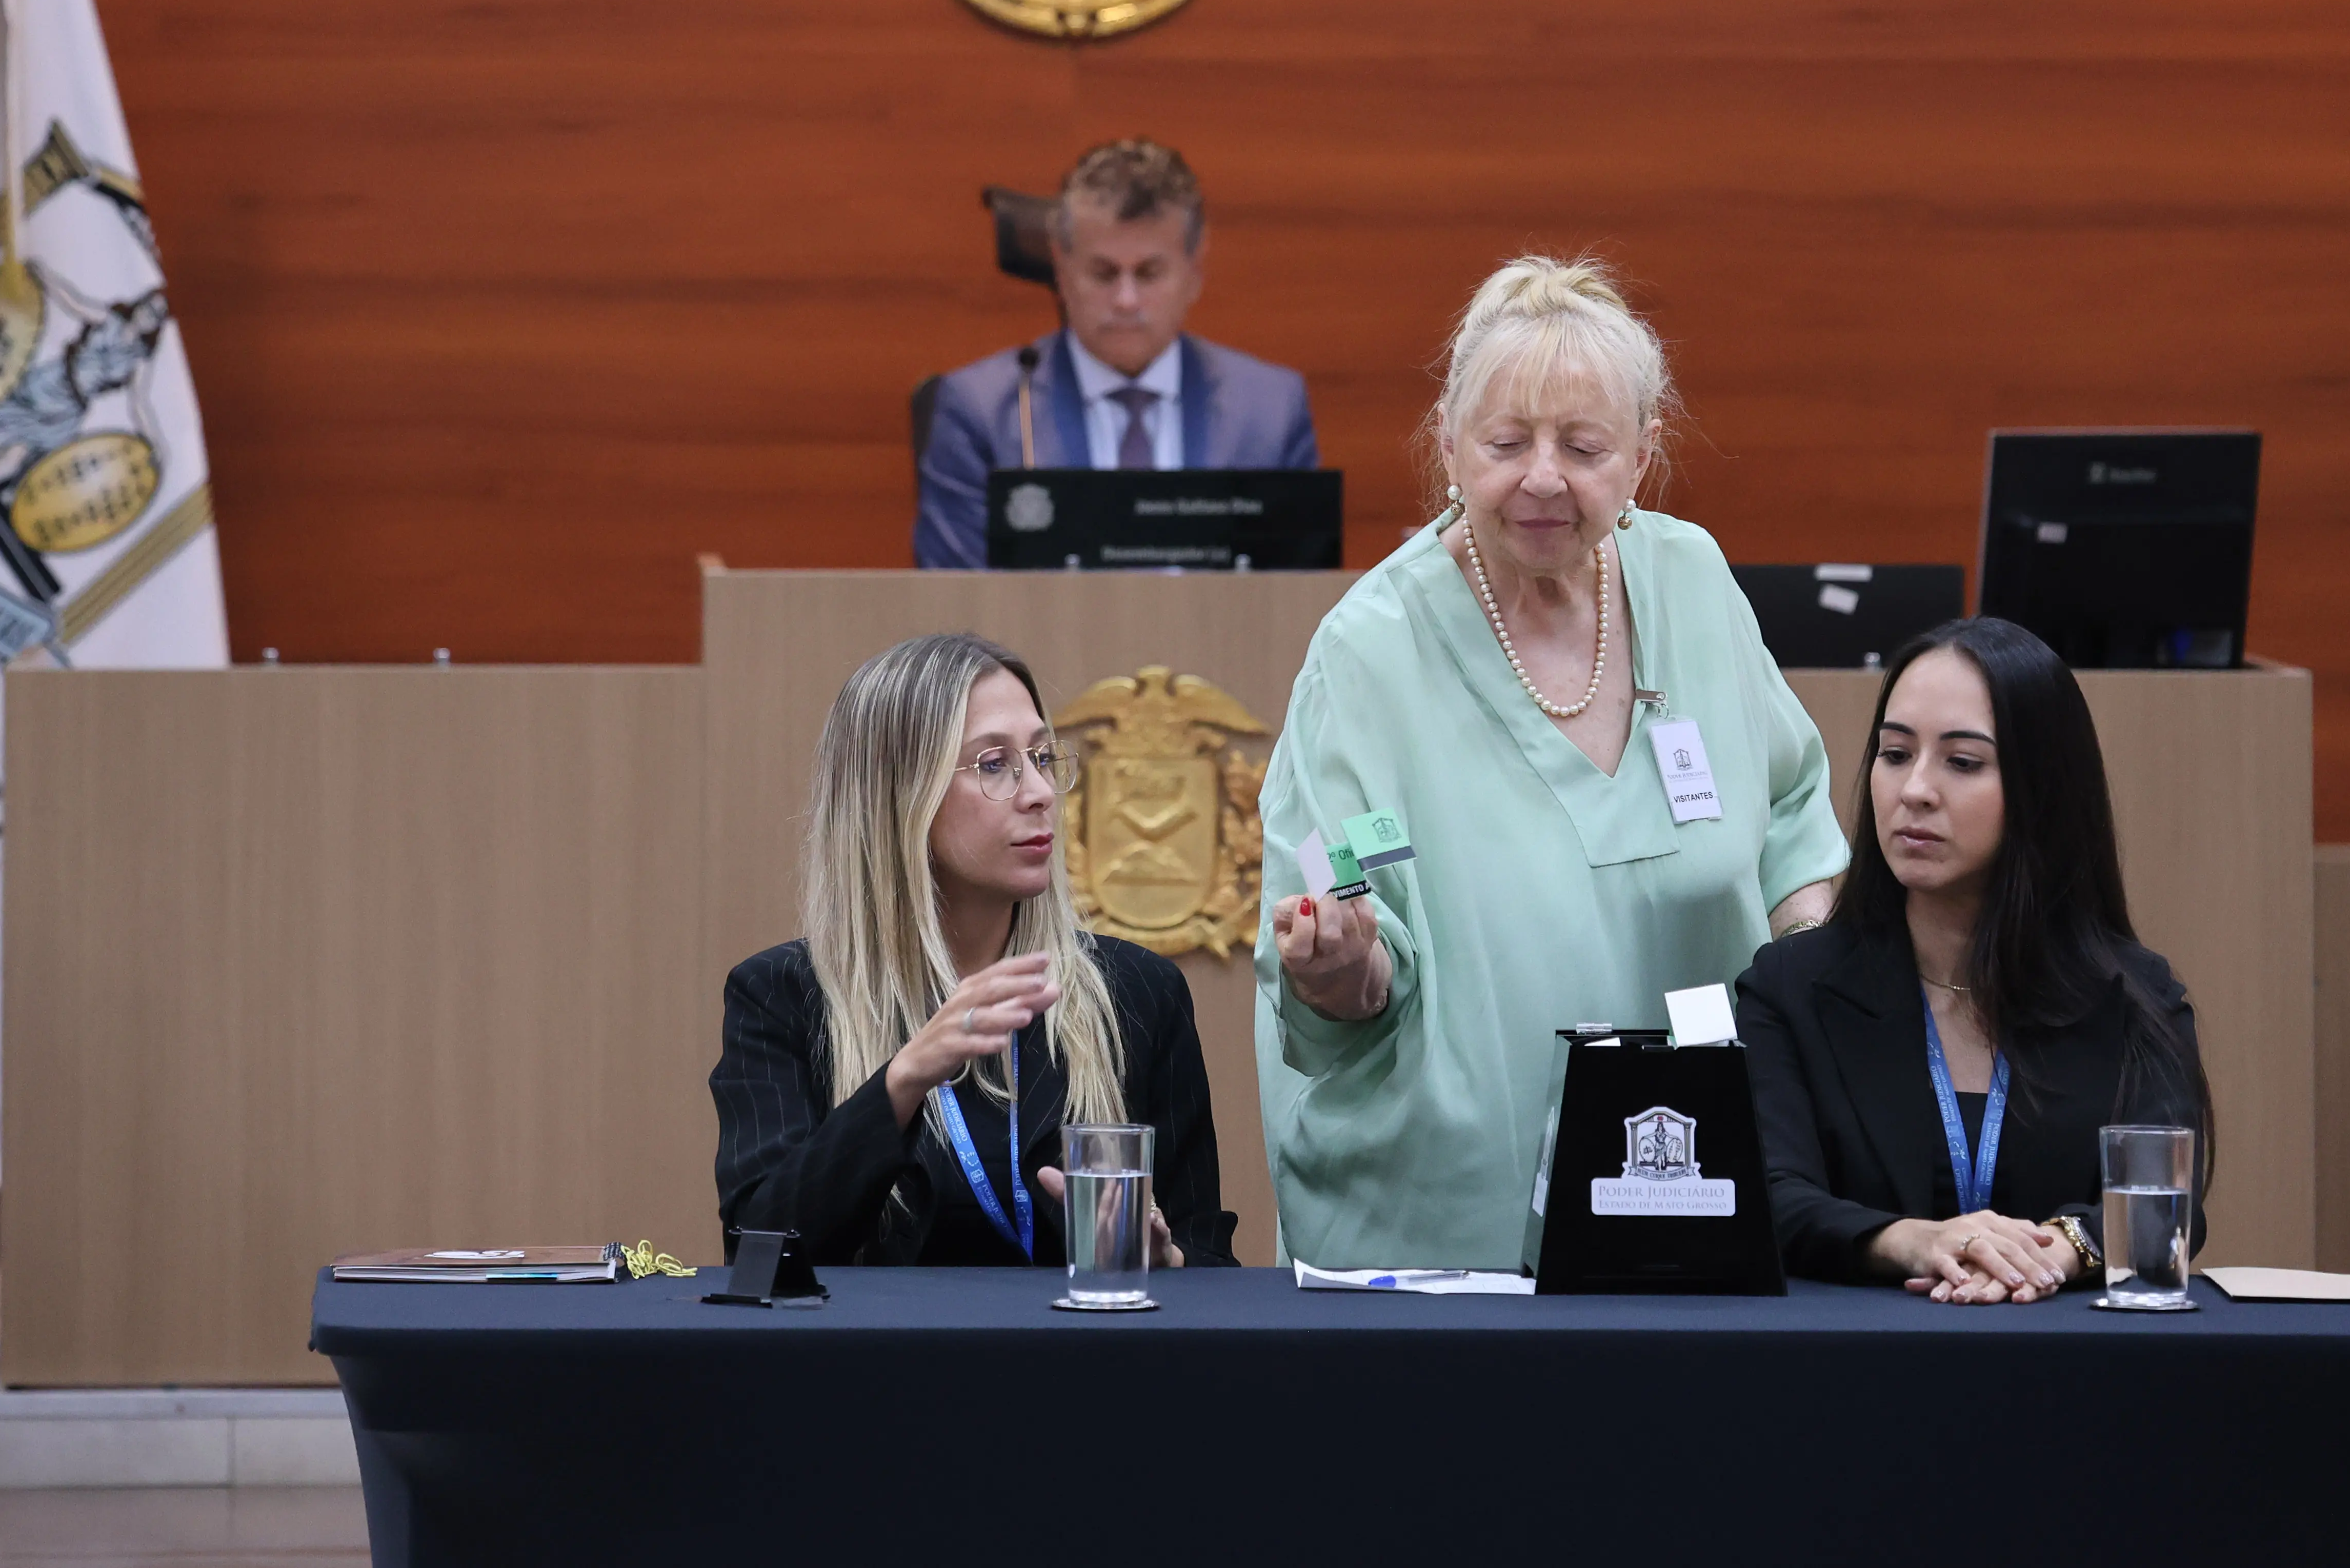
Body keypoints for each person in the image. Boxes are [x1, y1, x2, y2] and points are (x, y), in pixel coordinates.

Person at [1254, 256, 1845, 1269]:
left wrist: (1817, 954)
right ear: (1447, 442)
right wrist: (1343, 963)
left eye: (1582, 446)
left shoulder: (1693, 580)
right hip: (1448, 1228)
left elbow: (1794, 812)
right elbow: (1339, 899)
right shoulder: (1368, 654)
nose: (1541, 477)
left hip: (1693, 1193)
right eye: (1505, 442)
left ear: (1644, 453)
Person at [712, 632, 1237, 1267]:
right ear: (900, 798)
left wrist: (1170, 1264)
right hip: (879, 1364)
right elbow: (759, 1254)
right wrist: (903, 1082)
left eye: (1043, 758)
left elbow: (1208, 1259)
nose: (1040, 792)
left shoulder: (1137, 992)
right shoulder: (785, 995)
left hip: (1081, 1361)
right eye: (994, 765)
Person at [1739, 617, 2210, 1300]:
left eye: (1962, 763)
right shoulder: (1789, 988)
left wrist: (2050, 1251)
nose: (1916, 790)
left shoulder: (2134, 996)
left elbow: (2170, 1208)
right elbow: (1768, 1195)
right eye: (1895, 754)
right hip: (1849, 1373)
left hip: (2073, 1377)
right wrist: (1916, 1241)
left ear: (2041, 788)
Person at [914, 140, 1315, 569]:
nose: (1126, 299)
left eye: (1149, 273)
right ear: (1062, 269)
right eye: (1103, 272)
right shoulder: (983, 412)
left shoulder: (1269, 411)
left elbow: (1296, 604)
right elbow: (954, 604)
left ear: (1195, 271)